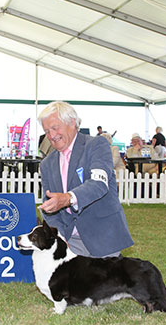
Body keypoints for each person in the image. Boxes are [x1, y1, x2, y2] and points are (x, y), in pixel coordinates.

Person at [37, 101, 133, 258]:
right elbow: (49, 207)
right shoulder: (46, 164)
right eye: (47, 131)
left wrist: (68, 198)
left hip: (103, 236)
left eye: (55, 128)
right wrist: (59, 237)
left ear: (72, 122)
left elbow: (99, 184)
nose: (52, 136)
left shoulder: (96, 145)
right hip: (70, 242)